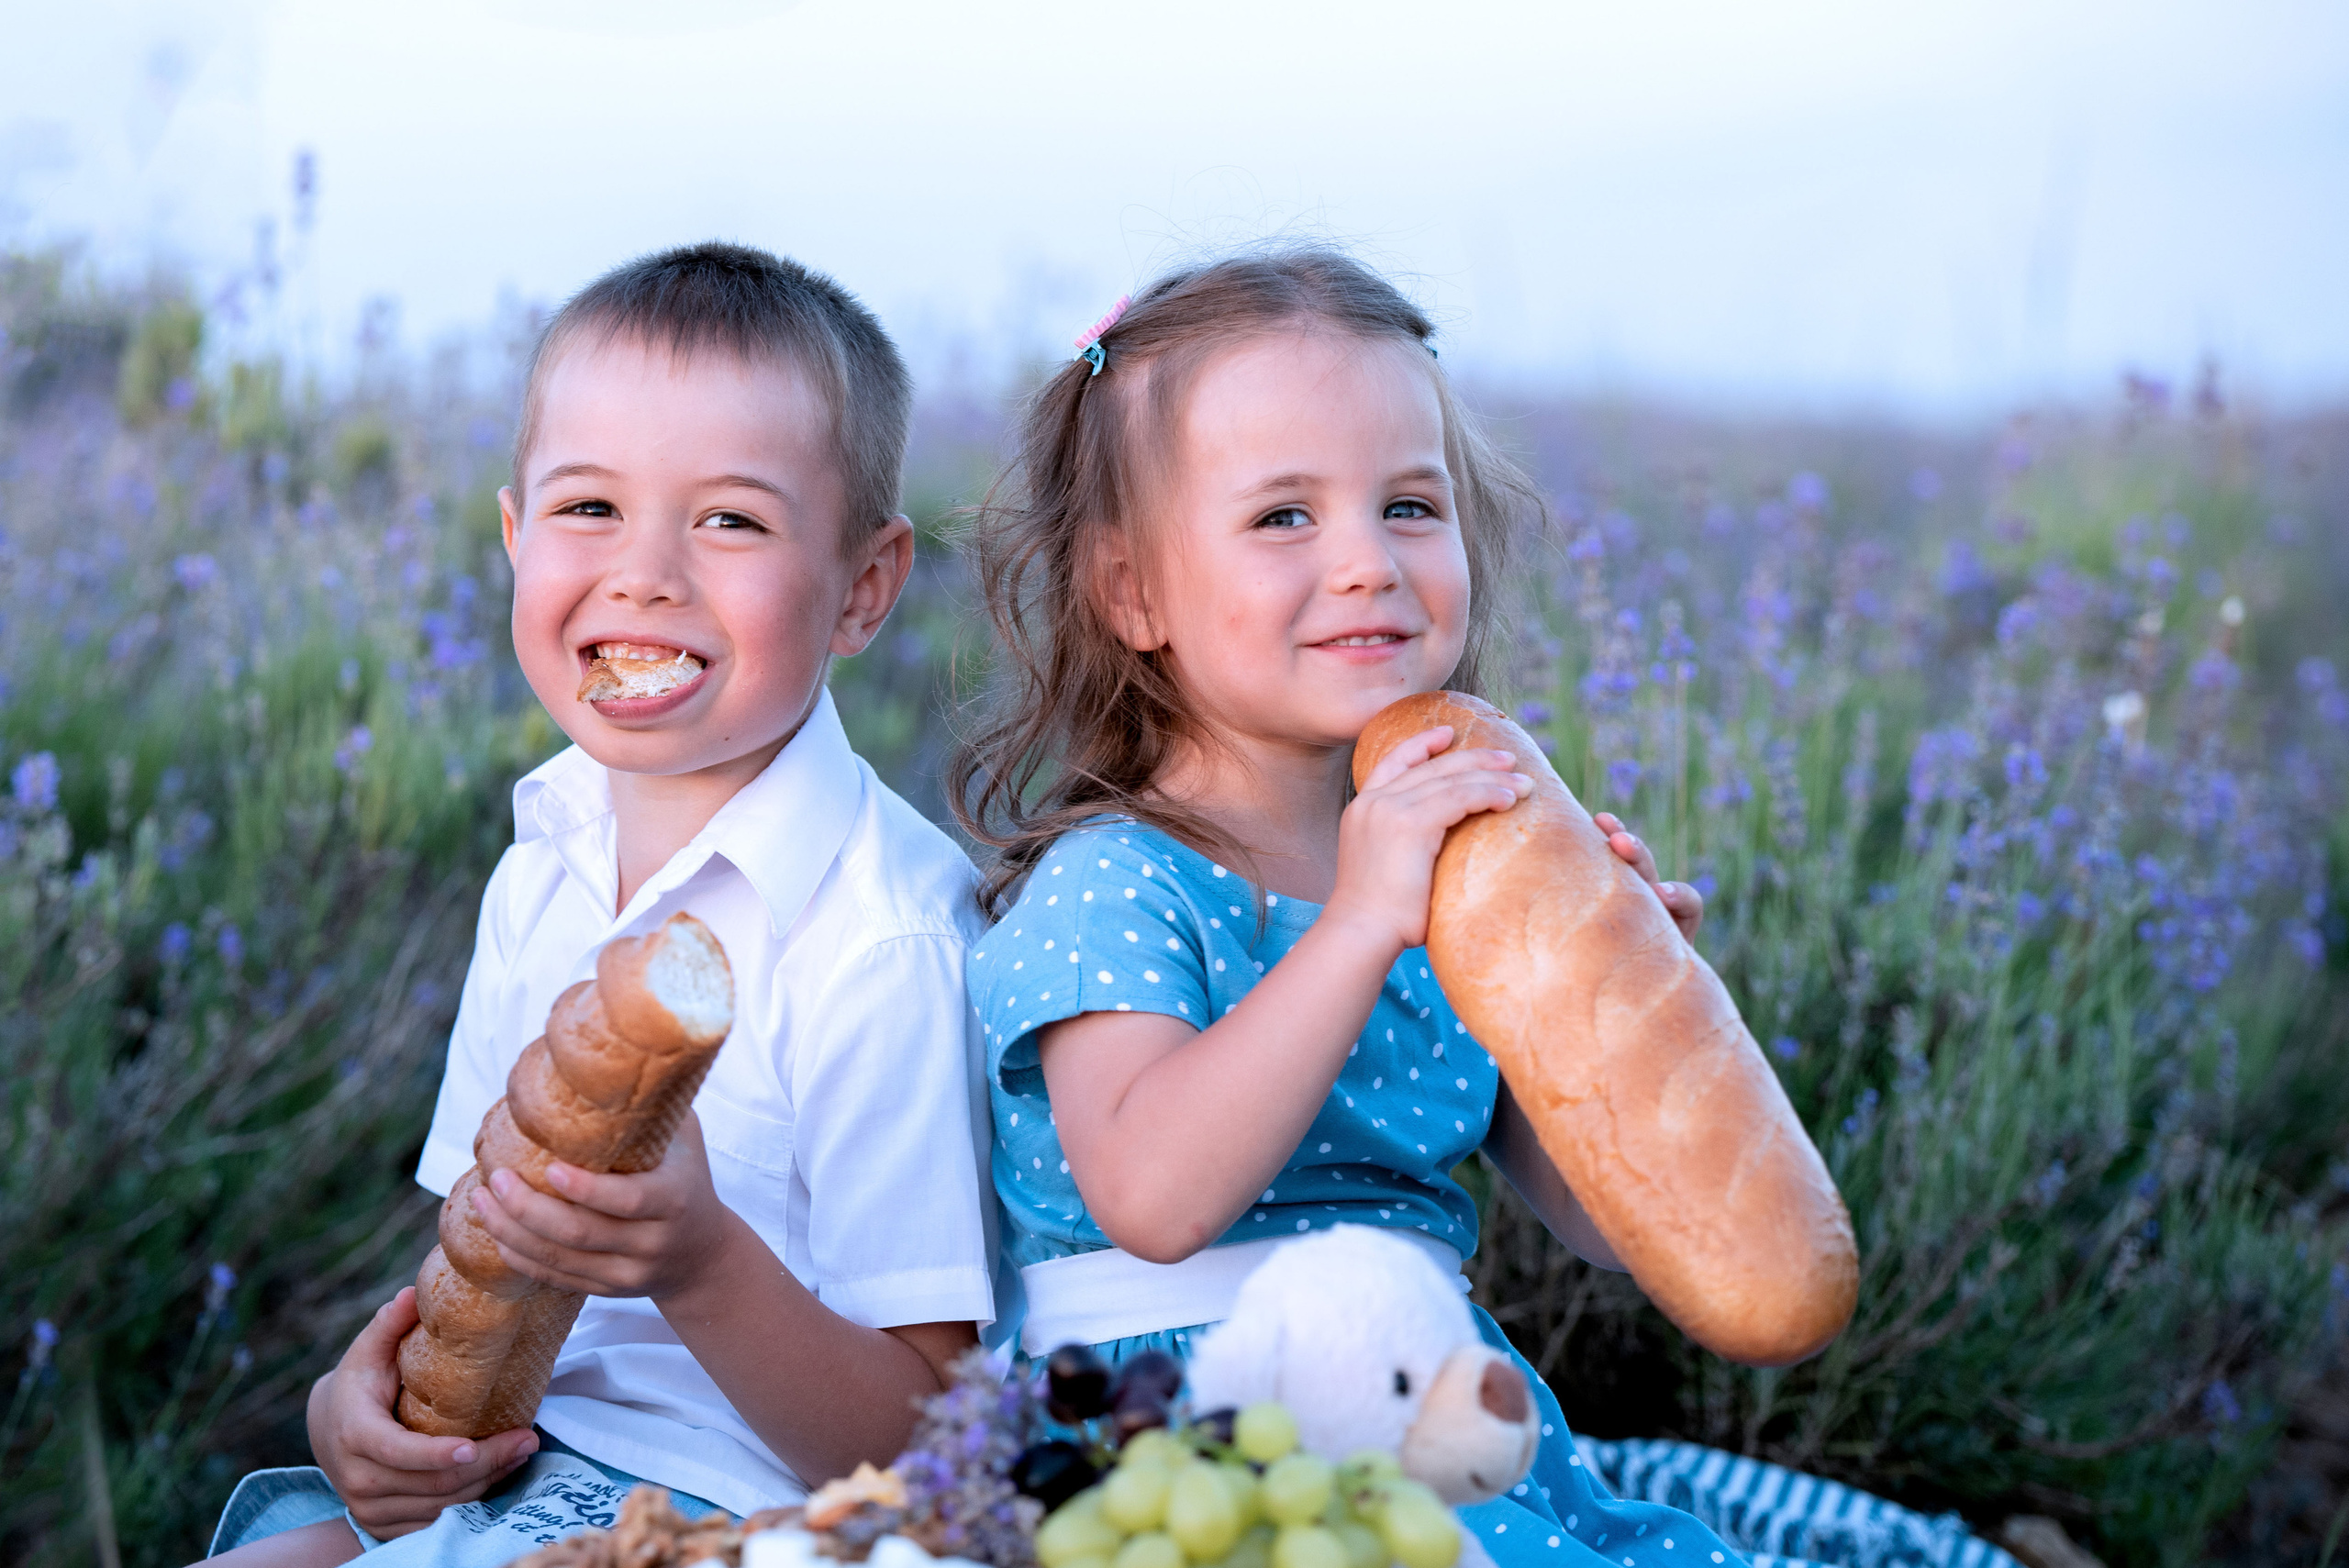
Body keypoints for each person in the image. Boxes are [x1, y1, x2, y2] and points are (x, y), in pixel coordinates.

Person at [205, 243, 998, 1567]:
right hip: (511, 1470)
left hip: (746, 1512)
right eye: (589, 507)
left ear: (864, 587)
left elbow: (930, 1450)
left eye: (730, 521)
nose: (645, 574)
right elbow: (476, 1254)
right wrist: (362, 1408)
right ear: (515, 536)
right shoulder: (544, 864)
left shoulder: (883, 938)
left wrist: (699, 1262)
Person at [950, 250, 1742, 1568]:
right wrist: (1362, 924)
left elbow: (1609, 1230)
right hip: (1191, 1435)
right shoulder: (1116, 879)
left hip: (1428, 1419)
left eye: (1410, 505)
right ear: (1132, 590)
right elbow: (1152, 1194)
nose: (1369, 561)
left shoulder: (1459, 876)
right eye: (1283, 517)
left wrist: (1626, 1005)